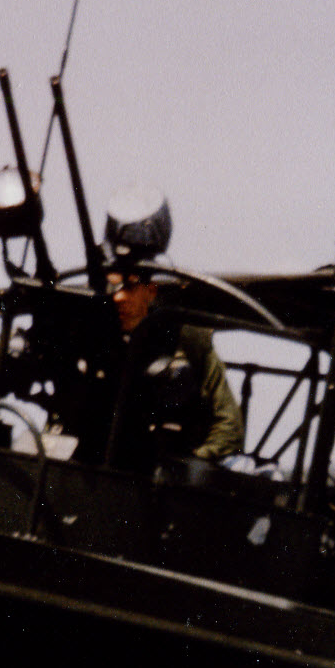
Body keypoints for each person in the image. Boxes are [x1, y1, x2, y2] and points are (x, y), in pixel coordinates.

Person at [101, 190, 243, 468]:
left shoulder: (185, 337)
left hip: (159, 471)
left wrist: (189, 464)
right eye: (113, 286)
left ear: (151, 291)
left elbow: (229, 427)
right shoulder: (94, 331)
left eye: (130, 286)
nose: (118, 297)